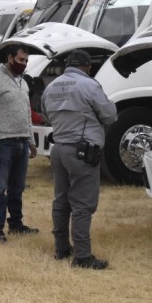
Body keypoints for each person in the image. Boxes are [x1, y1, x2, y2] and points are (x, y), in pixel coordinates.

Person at [41, 49, 117, 269]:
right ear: (87, 67)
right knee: (83, 204)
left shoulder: (50, 88)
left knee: (61, 200)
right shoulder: (89, 85)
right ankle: (82, 256)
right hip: (83, 151)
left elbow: (46, 115)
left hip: (59, 149)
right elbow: (110, 115)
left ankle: (61, 248)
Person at [0, 44, 39, 242]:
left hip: (22, 142)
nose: (24, 64)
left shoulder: (23, 83)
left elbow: (27, 115)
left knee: (17, 187)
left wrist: (31, 140)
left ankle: (16, 224)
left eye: (26, 61)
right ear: (10, 58)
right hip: (3, 142)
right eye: (21, 60)